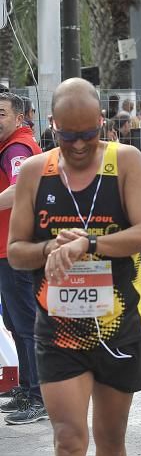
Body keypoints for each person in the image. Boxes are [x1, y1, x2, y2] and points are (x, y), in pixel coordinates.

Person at [8, 78, 141, 456]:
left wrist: (89, 244)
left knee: (110, 441)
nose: (76, 146)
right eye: (66, 136)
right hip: (58, 330)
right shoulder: (35, 171)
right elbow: (16, 250)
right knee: (69, 438)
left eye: (86, 135)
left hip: (118, 328)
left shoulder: (126, 162)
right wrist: (50, 249)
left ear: (102, 125)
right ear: (51, 126)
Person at [0, 93, 45, 424]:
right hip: (10, 249)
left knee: (26, 324)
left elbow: (19, 190)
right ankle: (29, 389)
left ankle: (38, 395)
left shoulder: (17, 148)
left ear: (19, 118)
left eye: (1, 113)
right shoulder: (13, 145)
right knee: (18, 323)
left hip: (14, 250)